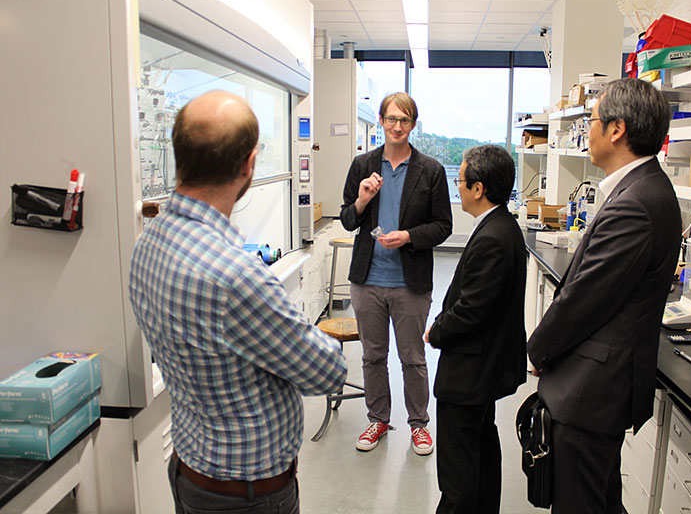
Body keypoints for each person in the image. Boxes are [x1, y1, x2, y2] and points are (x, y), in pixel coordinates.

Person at [128, 90, 347, 514]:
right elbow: (327, 373)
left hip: (190, 471)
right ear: (249, 164)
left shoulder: (148, 242)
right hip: (245, 497)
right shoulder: (235, 276)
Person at [527, 78, 682, 513]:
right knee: (597, 499)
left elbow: (585, 299)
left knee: (579, 503)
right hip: (599, 387)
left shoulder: (636, 202)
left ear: (616, 130)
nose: (588, 131)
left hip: (591, 390)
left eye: (591, 121)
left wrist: (538, 351)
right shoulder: (643, 189)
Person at [340, 92, 453, 455]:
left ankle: (419, 425)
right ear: (381, 121)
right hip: (367, 279)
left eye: (404, 121)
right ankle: (378, 420)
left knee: (412, 358)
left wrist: (409, 236)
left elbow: (443, 226)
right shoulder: (362, 165)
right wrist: (362, 200)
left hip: (410, 281)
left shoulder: (430, 170)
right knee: (373, 356)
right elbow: (347, 219)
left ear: (413, 125)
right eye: (391, 119)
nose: (397, 127)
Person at [426, 144, 527, 513]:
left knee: (458, 477)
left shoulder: (492, 238)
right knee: (482, 454)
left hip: (469, 375)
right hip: (485, 371)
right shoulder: (502, 227)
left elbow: (471, 311)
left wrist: (436, 332)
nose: (458, 187)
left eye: (461, 181)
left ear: (479, 188)